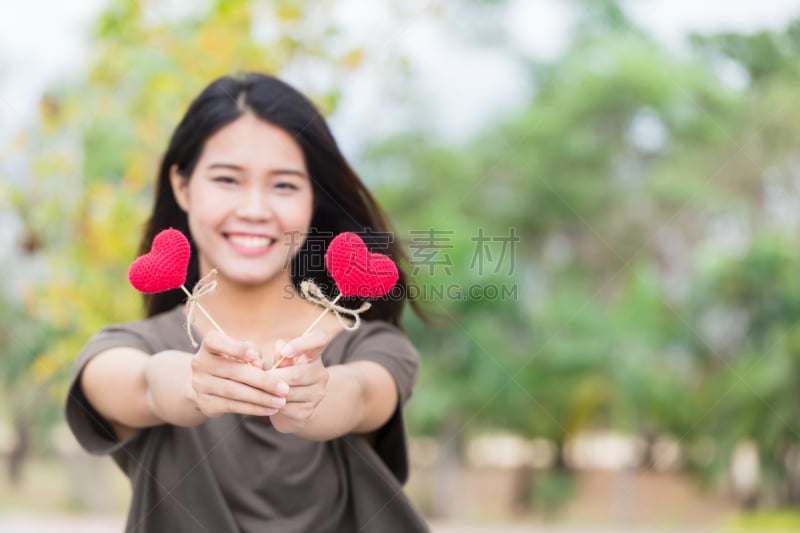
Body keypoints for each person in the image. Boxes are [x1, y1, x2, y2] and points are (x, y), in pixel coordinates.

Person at [65, 72, 429, 532]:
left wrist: (311, 394)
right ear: (182, 187)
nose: (255, 209)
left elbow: (357, 396)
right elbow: (144, 385)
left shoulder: (370, 346)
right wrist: (194, 384)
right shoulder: (126, 350)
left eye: (284, 185)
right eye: (227, 179)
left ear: (314, 199)